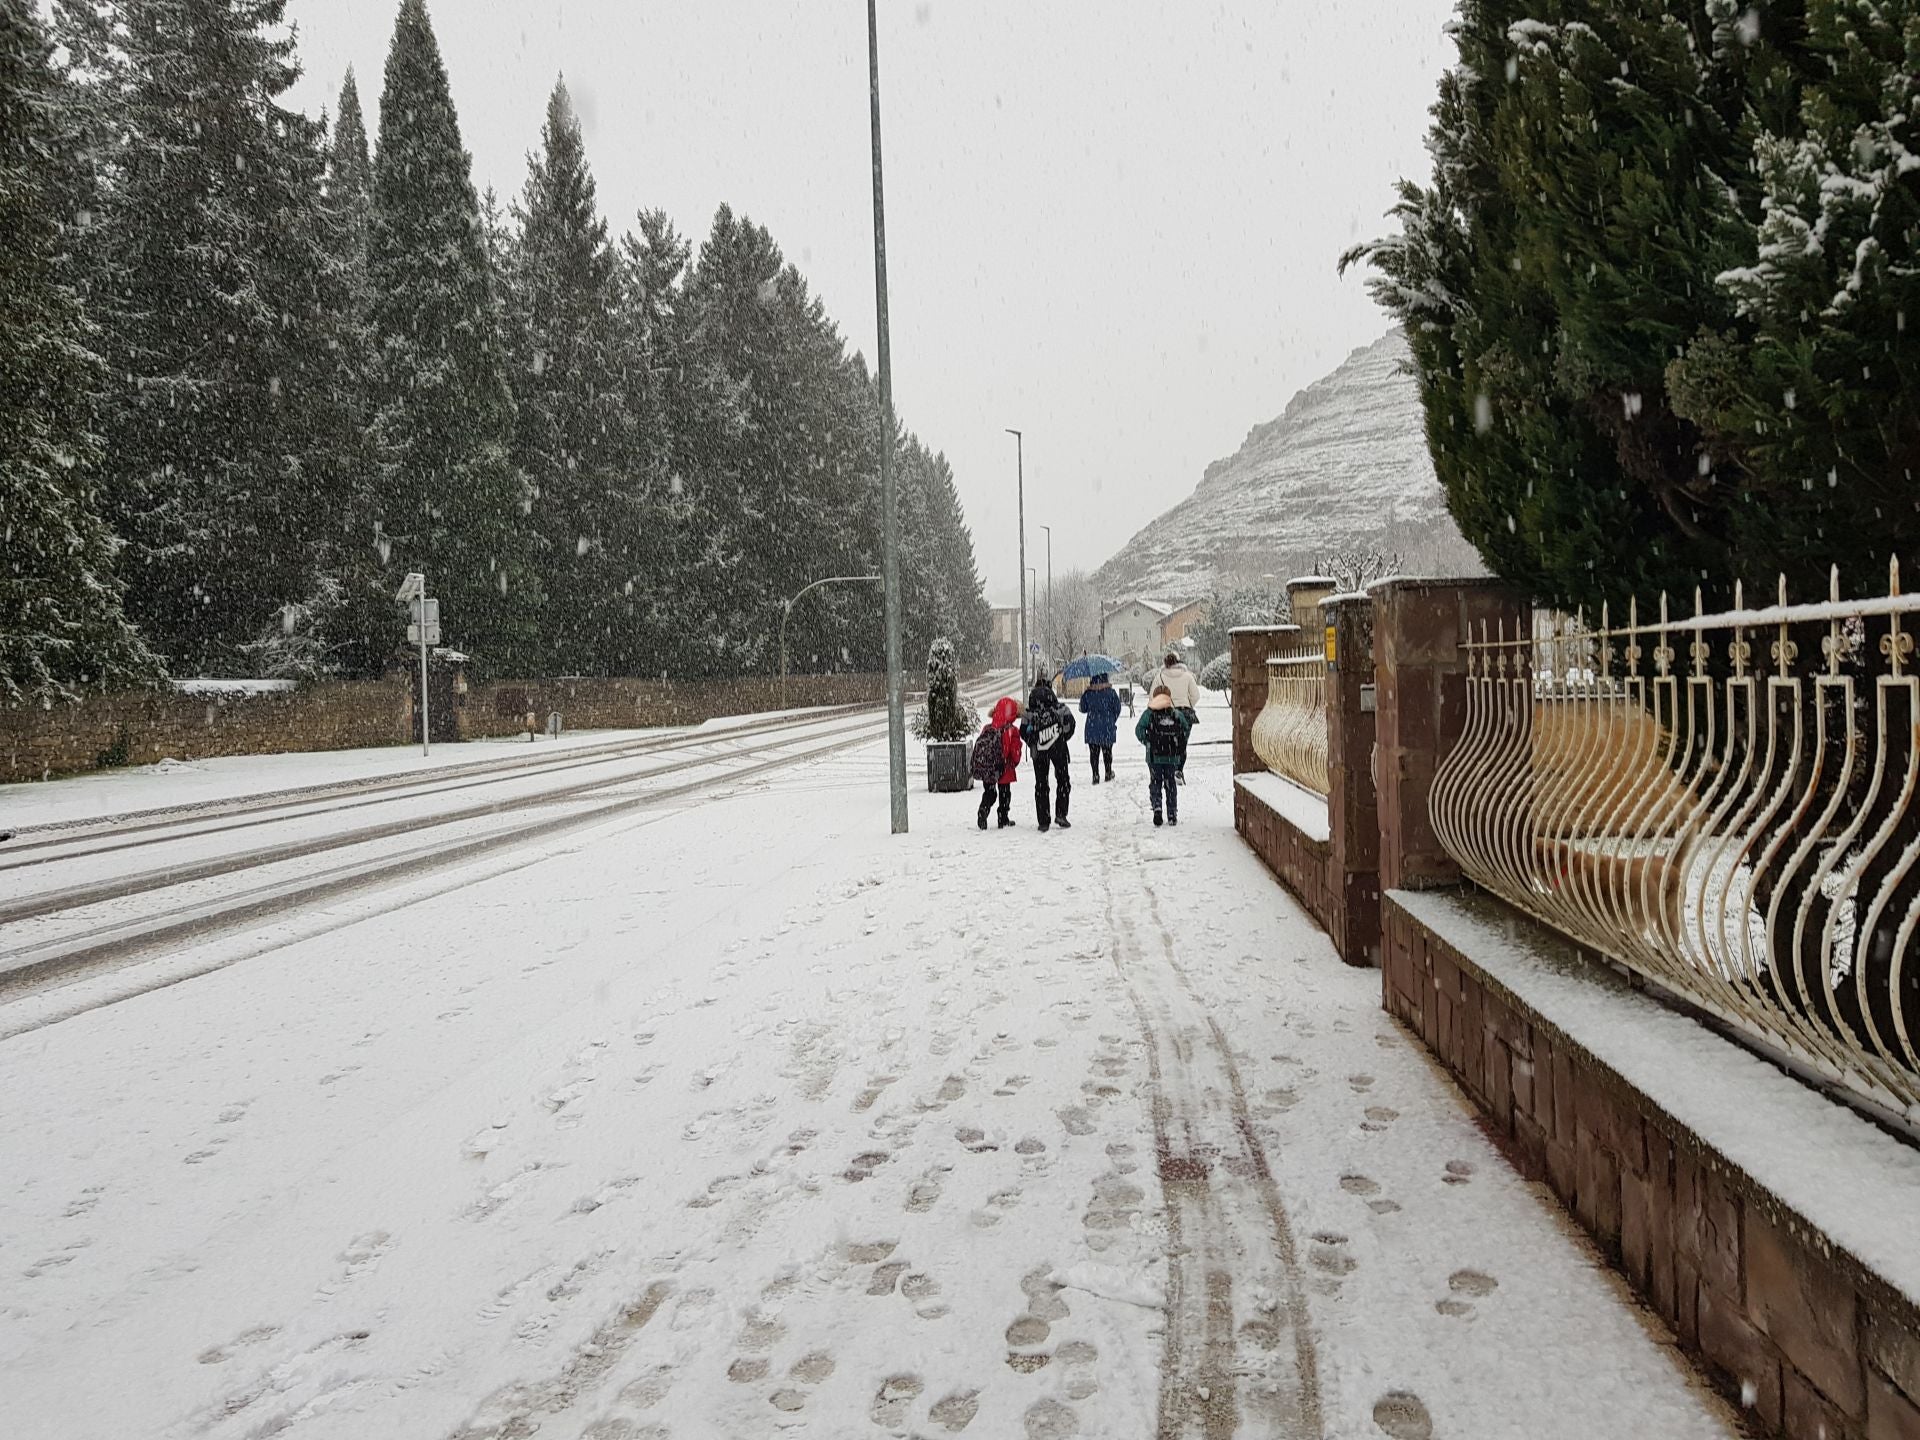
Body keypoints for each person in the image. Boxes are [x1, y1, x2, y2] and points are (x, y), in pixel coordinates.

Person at [1020, 675, 1076, 832]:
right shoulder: (1060, 708)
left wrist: (1034, 742)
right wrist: (1062, 738)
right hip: (1058, 748)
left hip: (1039, 751)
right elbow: (1071, 724)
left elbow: (1022, 731)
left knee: (1041, 784)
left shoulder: (1030, 712)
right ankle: (1061, 814)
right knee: (1063, 780)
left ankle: (1043, 820)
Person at [1136, 683, 1192, 826]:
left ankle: (1157, 807)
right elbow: (1185, 729)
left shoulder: (1149, 714)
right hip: (1172, 756)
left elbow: (1139, 730)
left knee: (1155, 781)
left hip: (1154, 756)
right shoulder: (1175, 713)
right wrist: (1177, 744)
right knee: (1170, 784)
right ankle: (1172, 813)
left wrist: (1148, 741)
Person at [974, 696, 1024, 830]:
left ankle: (983, 810)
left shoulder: (987, 727)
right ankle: (1003, 818)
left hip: (988, 767)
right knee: (1004, 793)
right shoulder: (1012, 730)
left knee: (990, 792)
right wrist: (1014, 761)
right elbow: (1015, 754)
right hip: (1004, 767)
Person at [1151, 649, 1201, 780]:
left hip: (1167, 713)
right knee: (1182, 743)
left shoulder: (1159, 677)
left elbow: (1153, 697)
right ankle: (1179, 769)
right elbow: (1196, 695)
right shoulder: (1187, 676)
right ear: (1178, 662)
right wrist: (1188, 704)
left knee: (1167, 742)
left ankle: (1168, 768)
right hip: (1185, 713)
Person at [1078, 671, 1121, 783]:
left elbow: (1082, 708)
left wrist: (1086, 693)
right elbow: (1117, 708)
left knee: (1094, 753)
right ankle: (1108, 772)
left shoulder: (1089, 693)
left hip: (1092, 727)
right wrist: (1111, 719)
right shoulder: (1111, 692)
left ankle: (1095, 775)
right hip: (1107, 726)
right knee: (1107, 751)